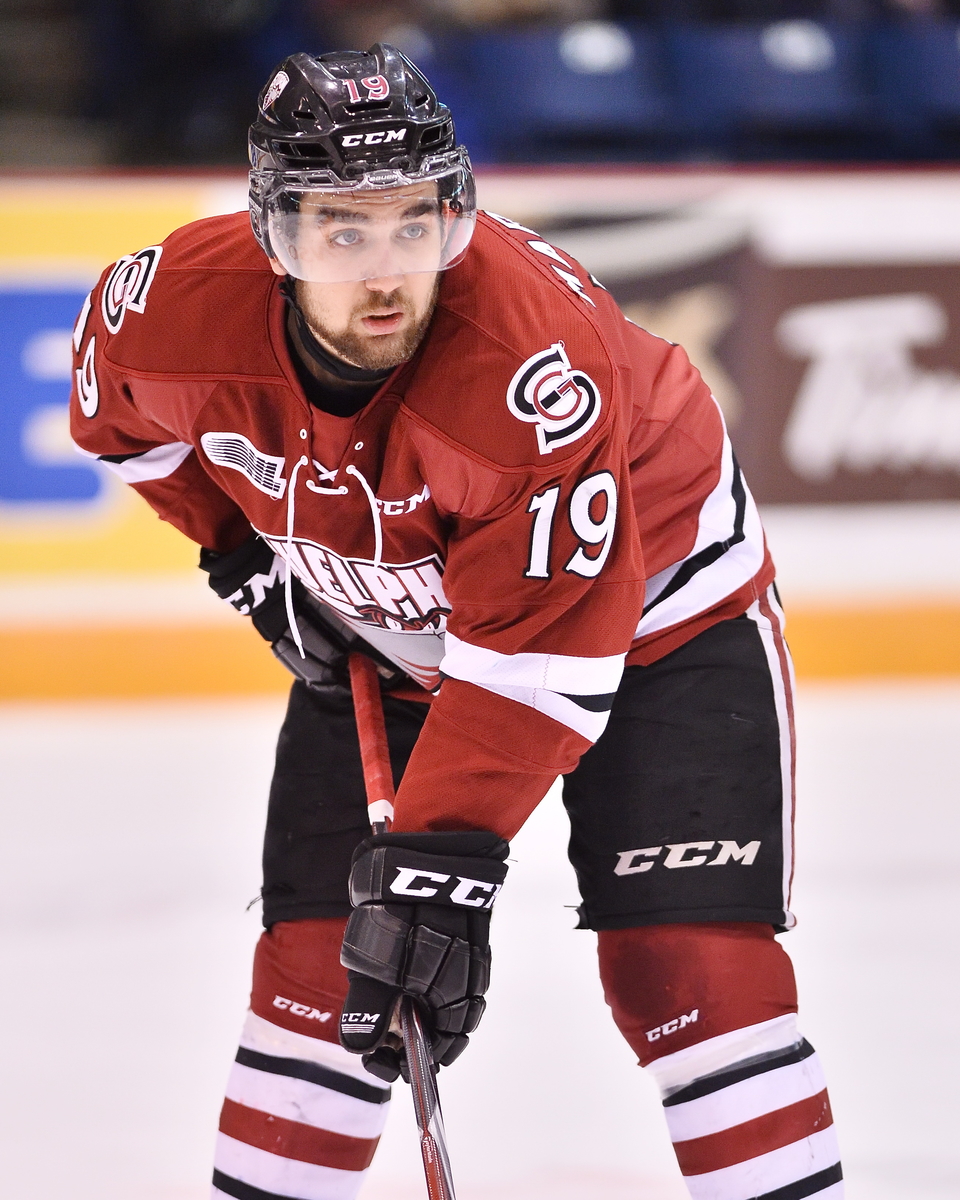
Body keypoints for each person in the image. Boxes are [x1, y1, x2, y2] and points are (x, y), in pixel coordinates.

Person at [69, 44, 843, 1200]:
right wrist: (241, 557)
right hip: (390, 626)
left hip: (659, 618)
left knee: (686, 966)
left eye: (415, 225)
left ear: (458, 215)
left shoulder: (530, 372)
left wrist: (437, 869)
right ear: (275, 234)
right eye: (344, 230)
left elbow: (541, 668)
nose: (387, 274)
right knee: (318, 974)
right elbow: (125, 429)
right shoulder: (170, 309)